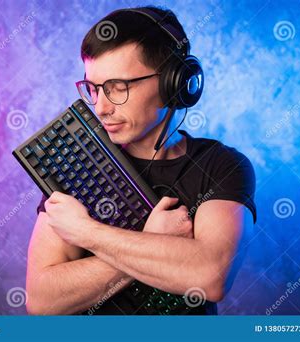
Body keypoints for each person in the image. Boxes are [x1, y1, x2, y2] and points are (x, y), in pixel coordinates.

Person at [26, 5, 257, 315]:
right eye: (93, 89)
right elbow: (43, 299)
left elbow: (210, 276)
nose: (101, 107)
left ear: (173, 82)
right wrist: (153, 243)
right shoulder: (78, 160)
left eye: (117, 87)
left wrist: (88, 233)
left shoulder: (221, 166)